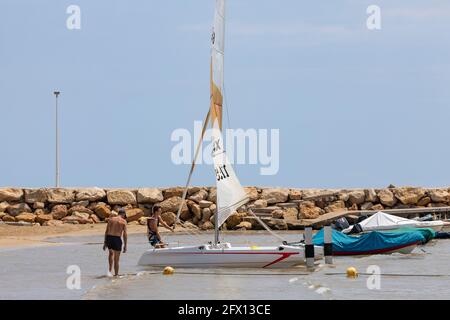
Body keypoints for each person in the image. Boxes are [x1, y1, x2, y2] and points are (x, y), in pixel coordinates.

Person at [103, 209, 127, 277]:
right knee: (116, 259)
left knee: (111, 254)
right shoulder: (123, 221)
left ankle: (110, 271)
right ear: (124, 214)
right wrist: (125, 245)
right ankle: (116, 275)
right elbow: (125, 234)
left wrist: (105, 243)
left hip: (109, 238)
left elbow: (106, 231)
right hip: (117, 239)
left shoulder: (111, 219)